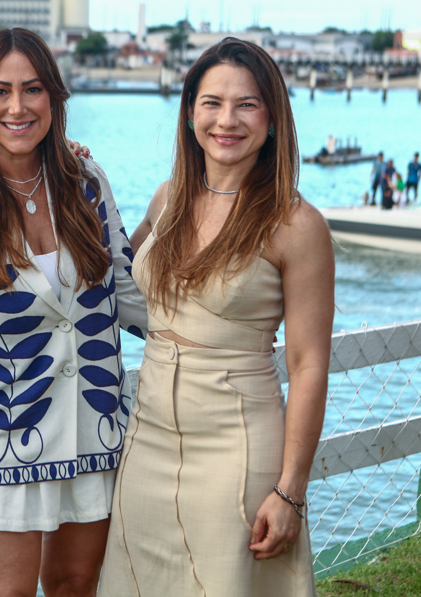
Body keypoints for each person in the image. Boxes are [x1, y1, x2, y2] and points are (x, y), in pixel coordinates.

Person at [0, 28, 148, 597]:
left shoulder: (86, 181)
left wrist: (210, 330)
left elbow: (128, 290)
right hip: (0, 442)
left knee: (75, 587)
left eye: (33, 89)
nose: (17, 107)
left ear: (54, 98)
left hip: (94, 432)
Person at [100, 38, 333, 596]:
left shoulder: (297, 226)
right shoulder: (167, 198)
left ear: (273, 118)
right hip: (148, 435)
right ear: (188, 112)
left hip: (237, 443)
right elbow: (111, 282)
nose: (227, 120)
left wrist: (290, 491)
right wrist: (70, 175)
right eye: (212, 103)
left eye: (247, 104)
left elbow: (307, 367)